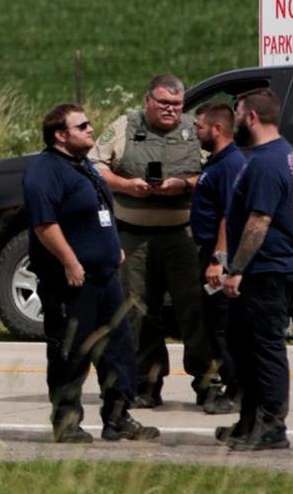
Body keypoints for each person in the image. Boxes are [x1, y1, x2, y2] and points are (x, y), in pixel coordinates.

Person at [23, 102, 159, 443]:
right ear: (60, 135)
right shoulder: (44, 170)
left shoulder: (83, 166)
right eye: (82, 126)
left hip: (105, 276)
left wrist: (113, 247)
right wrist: (70, 262)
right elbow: (44, 224)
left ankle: (117, 418)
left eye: (88, 124)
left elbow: (97, 210)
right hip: (71, 280)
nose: (90, 129)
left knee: (118, 349)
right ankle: (67, 422)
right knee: (70, 352)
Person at [89, 74, 214, 408]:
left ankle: (207, 385)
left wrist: (185, 184)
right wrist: (126, 186)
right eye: (164, 103)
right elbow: (94, 165)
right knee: (139, 312)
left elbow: (218, 169)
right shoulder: (124, 127)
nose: (171, 110)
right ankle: (147, 384)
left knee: (194, 311)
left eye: (176, 104)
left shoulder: (194, 129)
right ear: (147, 101)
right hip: (133, 237)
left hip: (183, 237)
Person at [218, 87, 293, 451]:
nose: (234, 121)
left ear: (251, 117)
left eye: (237, 113)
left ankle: (271, 428)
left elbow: (259, 221)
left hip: (268, 270)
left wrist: (236, 267)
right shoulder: (278, 153)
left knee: (265, 348)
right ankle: (249, 422)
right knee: (245, 346)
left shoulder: (268, 162)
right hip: (268, 267)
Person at [190, 103, 246, 415]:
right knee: (214, 324)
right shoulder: (217, 161)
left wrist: (218, 261)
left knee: (223, 326)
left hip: (218, 254)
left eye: (199, 127)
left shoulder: (229, 165)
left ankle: (236, 389)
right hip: (209, 251)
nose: (196, 132)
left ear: (217, 129)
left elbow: (229, 215)